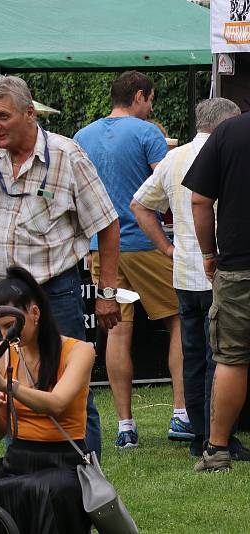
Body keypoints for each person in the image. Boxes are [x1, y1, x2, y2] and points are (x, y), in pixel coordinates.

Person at [0, 74, 120, 460]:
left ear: (29, 113)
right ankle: (22, 469)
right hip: (5, 299)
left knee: (71, 392)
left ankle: (85, 481)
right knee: (11, 384)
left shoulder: (67, 156)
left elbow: (106, 225)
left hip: (55, 291)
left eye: (2, 116)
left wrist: (107, 294)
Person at [131, 98, 249, 461]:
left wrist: (168, 247)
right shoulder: (230, 147)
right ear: (226, 123)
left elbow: (138, 204)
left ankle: (200, 435)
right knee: (224, 359)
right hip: (220, 267)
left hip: (187, 272)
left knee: (196, 356)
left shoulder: (173, 158)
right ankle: (222, 437)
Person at [74, 70, 185, 449]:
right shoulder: (148, 132)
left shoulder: (82, 136)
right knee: (179, 321)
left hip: (98, 247)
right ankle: (181, 414)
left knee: (118, 331)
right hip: (144, 243)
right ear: (139, 96)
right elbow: (167, 187)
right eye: (151, 99)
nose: (151, 106)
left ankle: (125, 426)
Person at [0, 266, 94, 534]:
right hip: (17, 459)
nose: (7, 335)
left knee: (46, 491)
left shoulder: (79, 351)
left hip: (63, 462)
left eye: (11, 325)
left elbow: (57, 403)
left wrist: (7, 386)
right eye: (1, 327)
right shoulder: (4, 351)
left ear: (35, 313)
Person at [183, 110, 250, 472]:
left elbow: (200, 200)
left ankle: (218, 450)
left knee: (232, 358)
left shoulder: (228, 132)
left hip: (238, 266)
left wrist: (209, 254)